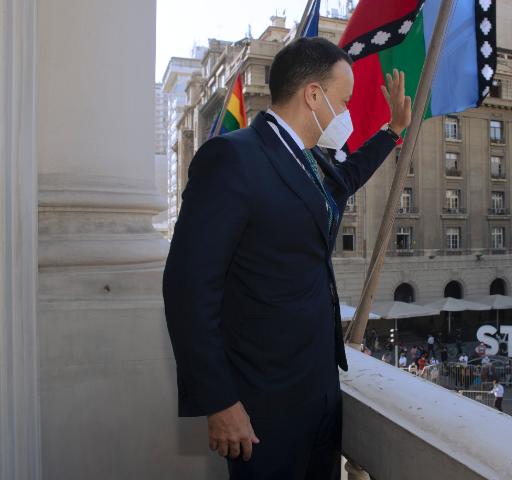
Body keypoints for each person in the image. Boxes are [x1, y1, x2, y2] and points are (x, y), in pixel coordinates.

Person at [163, 37, 412, 478]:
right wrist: (219, 401)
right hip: (261, 402)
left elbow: (346, 179)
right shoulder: (232, 158)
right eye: (345, 99)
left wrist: (392, 131)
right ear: (313, 95)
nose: (348, 112)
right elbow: (187, 287)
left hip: (318, 391)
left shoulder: (309, 162)